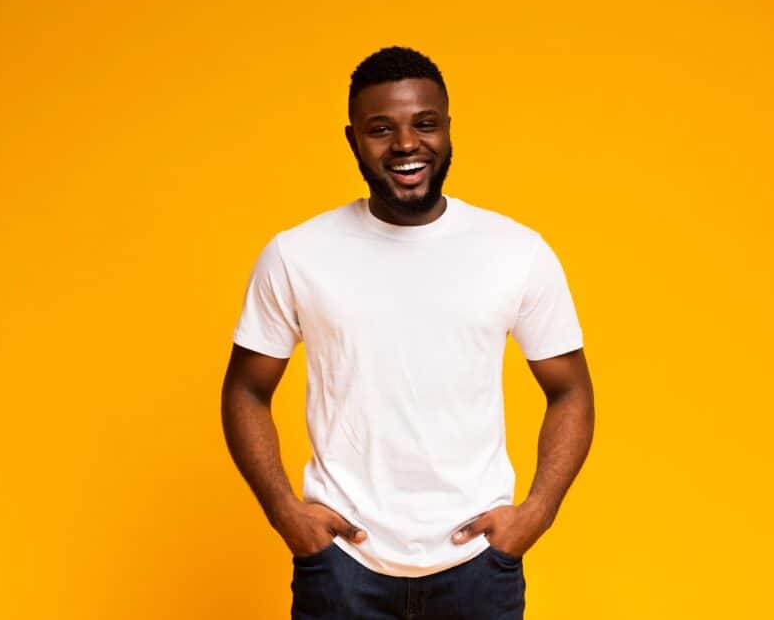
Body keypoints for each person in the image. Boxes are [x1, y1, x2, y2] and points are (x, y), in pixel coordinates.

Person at [221, 46, 595, 619]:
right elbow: (246, 389)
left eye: (425, 123)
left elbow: (570, 389)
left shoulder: (515, 252)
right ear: (352, 140)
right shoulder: (297, 255)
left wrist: (537, 512)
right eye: (380, 129)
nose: (405, 144)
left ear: (447, 129)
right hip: (343, 568)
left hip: (477, 567)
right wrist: (283, 509)